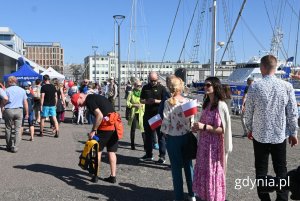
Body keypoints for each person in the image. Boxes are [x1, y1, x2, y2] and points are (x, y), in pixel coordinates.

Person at [245, 55, 298, 201]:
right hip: (279, 135)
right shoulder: (287, 87)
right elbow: (292, 112)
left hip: (260, 135)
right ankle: (282, 198)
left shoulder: (255, 87)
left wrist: (249, 128)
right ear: (275, 67)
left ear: (262, 67)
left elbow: (248, 111)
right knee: (281, 170)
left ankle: (265, 199)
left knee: (261, 171)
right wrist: (293, 132)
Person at [192, 77, 232, 201]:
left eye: (208, 85)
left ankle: (215, 197)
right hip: (204, 145)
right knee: (204, 171)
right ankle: (206, 196)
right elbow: (203, 124)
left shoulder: (221, 105)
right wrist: (197, 127)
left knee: (213, 172)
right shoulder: (206, 104)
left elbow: (223, 129)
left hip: (214, 146)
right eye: (204, 85)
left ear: (215, 86)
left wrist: (204, 127)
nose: (205, 87)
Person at [161, 76, 196, 201]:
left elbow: (165, 122)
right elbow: (192, 120)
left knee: (176, 169)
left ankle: (178, 196)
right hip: (186, 136)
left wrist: (165, 134)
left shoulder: (168, 102)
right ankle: (192, 194)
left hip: (173, 138)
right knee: (188, 166)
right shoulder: (188, 101)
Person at [71, 92, 119, 184]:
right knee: (111, 151)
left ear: (81, 97)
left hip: (106, 127)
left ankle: (95, 175)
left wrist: (93, 130)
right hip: (115, 125)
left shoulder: (89, 99)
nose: (80, 106)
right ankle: (113, 176)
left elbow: (99, 115)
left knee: (97, 151)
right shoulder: (96, 97)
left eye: (79, 103)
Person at [140, 72, 167, 163]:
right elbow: (141, 100)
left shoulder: (162, 88)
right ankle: (148, 155)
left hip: (158, 115)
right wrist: (146, 102)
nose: (153, 82)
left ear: (157, 79)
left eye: (154, 81)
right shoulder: (145, 87)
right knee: (148, 136)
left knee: (160, 136)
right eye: (151, 81)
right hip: (148, 115)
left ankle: (162, 156)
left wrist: (155, 101)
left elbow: (166, 101)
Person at [2, 76, 28, 153]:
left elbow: (4, 101)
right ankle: (15, 147)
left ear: (9, 82)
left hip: (9, 110)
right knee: (17, 129)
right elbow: (25, 103)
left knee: (8, 128)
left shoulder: (6, 90)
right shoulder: (22, 90)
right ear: (15, 82)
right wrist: (27, 113)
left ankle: (9, 145)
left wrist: (2, 109)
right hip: (19, 110)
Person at [126, 79, 145, 150]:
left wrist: (142, 105)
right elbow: (127, 103)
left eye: (140, 86)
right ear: (134, 86)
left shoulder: (142, 93)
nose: (139, 87)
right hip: (133, 113)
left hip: (141, 113)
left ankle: (145, 146)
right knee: (133, 129)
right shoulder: (131, 93)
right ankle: (132, 144)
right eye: (138, 86)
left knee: (143, 129)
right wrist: (133, 105)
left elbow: (145, 102)